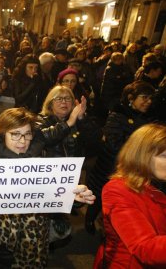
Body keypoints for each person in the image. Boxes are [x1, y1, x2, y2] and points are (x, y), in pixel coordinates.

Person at [0, 107, 95, 268]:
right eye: (15, 134)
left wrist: (73, 198)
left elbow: (54, 194)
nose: (22, 141)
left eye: (27, 134)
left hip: (36, 239)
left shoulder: (43, 157)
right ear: (4, 134)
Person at [85, 81, 155, 234]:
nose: (148, 101)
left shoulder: (148, 117)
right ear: (131, 98)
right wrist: (140, 148)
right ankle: (89, 219)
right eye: (144, 97)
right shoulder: (117, 115)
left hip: (132, 170)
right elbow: (114, 144)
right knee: (98, 196)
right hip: (110, 167)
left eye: (150, 98)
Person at [93, 123, 166, 268]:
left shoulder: (157, 183)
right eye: (164, 155)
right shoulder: (118, 189)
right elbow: (145, 248)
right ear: (143, 155)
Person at [37, 85, 100, 158]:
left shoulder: (78, 119)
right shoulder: (41, 119)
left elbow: (95, 140)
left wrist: (82, 119)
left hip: (76, 167)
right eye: (59, 98)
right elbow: (40, 139)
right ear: (50, 104)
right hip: (51, 168)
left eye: (68, 98)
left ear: (73, 103)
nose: (64, 102)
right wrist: (67, 124)